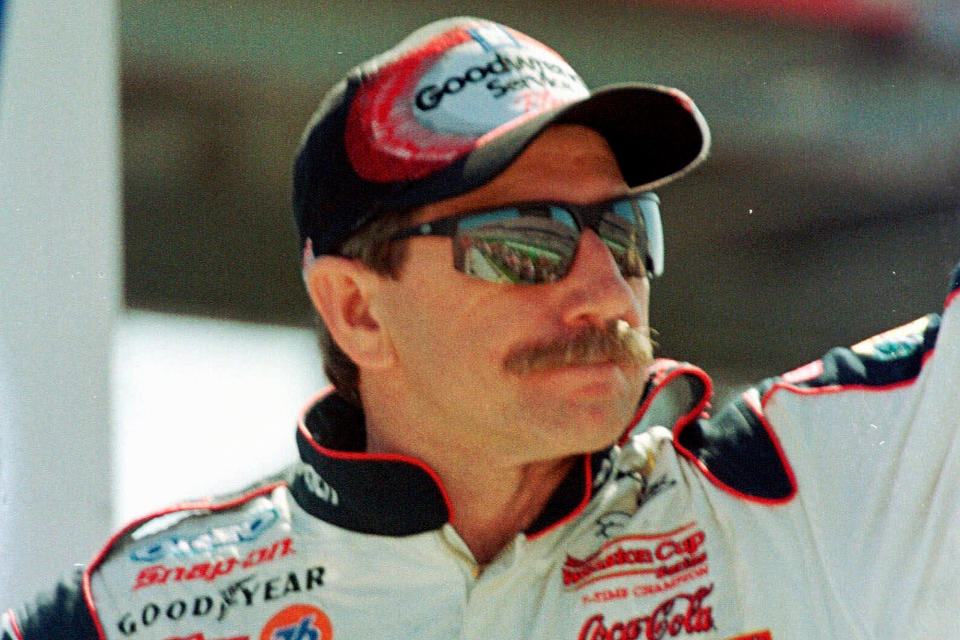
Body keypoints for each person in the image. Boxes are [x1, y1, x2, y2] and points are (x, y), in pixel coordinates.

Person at [4, 15, 959, 639]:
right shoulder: (142, 615)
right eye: (522, 246)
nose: (602, 288)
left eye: (624, 230)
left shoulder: (799, 502)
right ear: (358, 309)